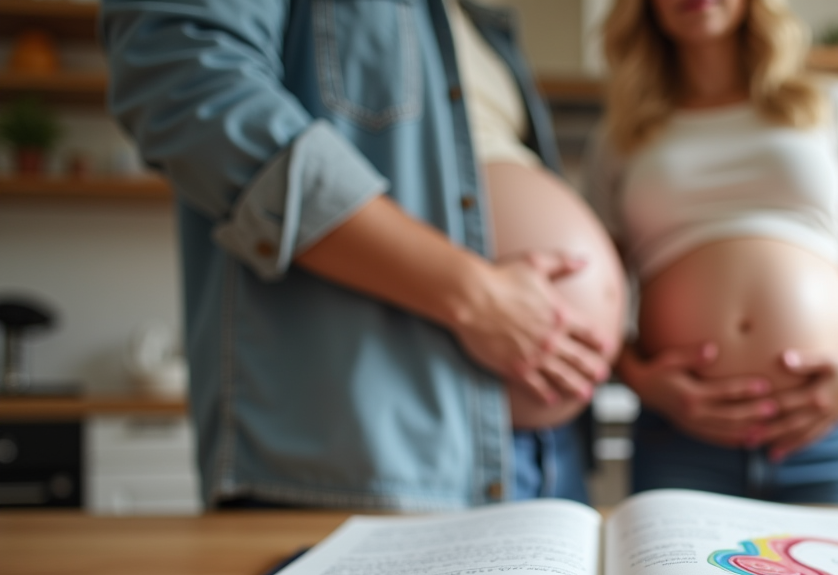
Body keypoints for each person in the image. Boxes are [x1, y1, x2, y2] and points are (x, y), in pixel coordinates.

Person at [101, 0, 624, 509]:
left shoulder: (476, 22)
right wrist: (478, 297)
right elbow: (189, 86)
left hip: (543, 454)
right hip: (369, 458)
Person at [586, 0, 838, 507]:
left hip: (829, 429)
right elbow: (596, 295)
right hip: (681, 436)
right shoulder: (619, 135)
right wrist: (639, 378)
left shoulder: (829, 103)